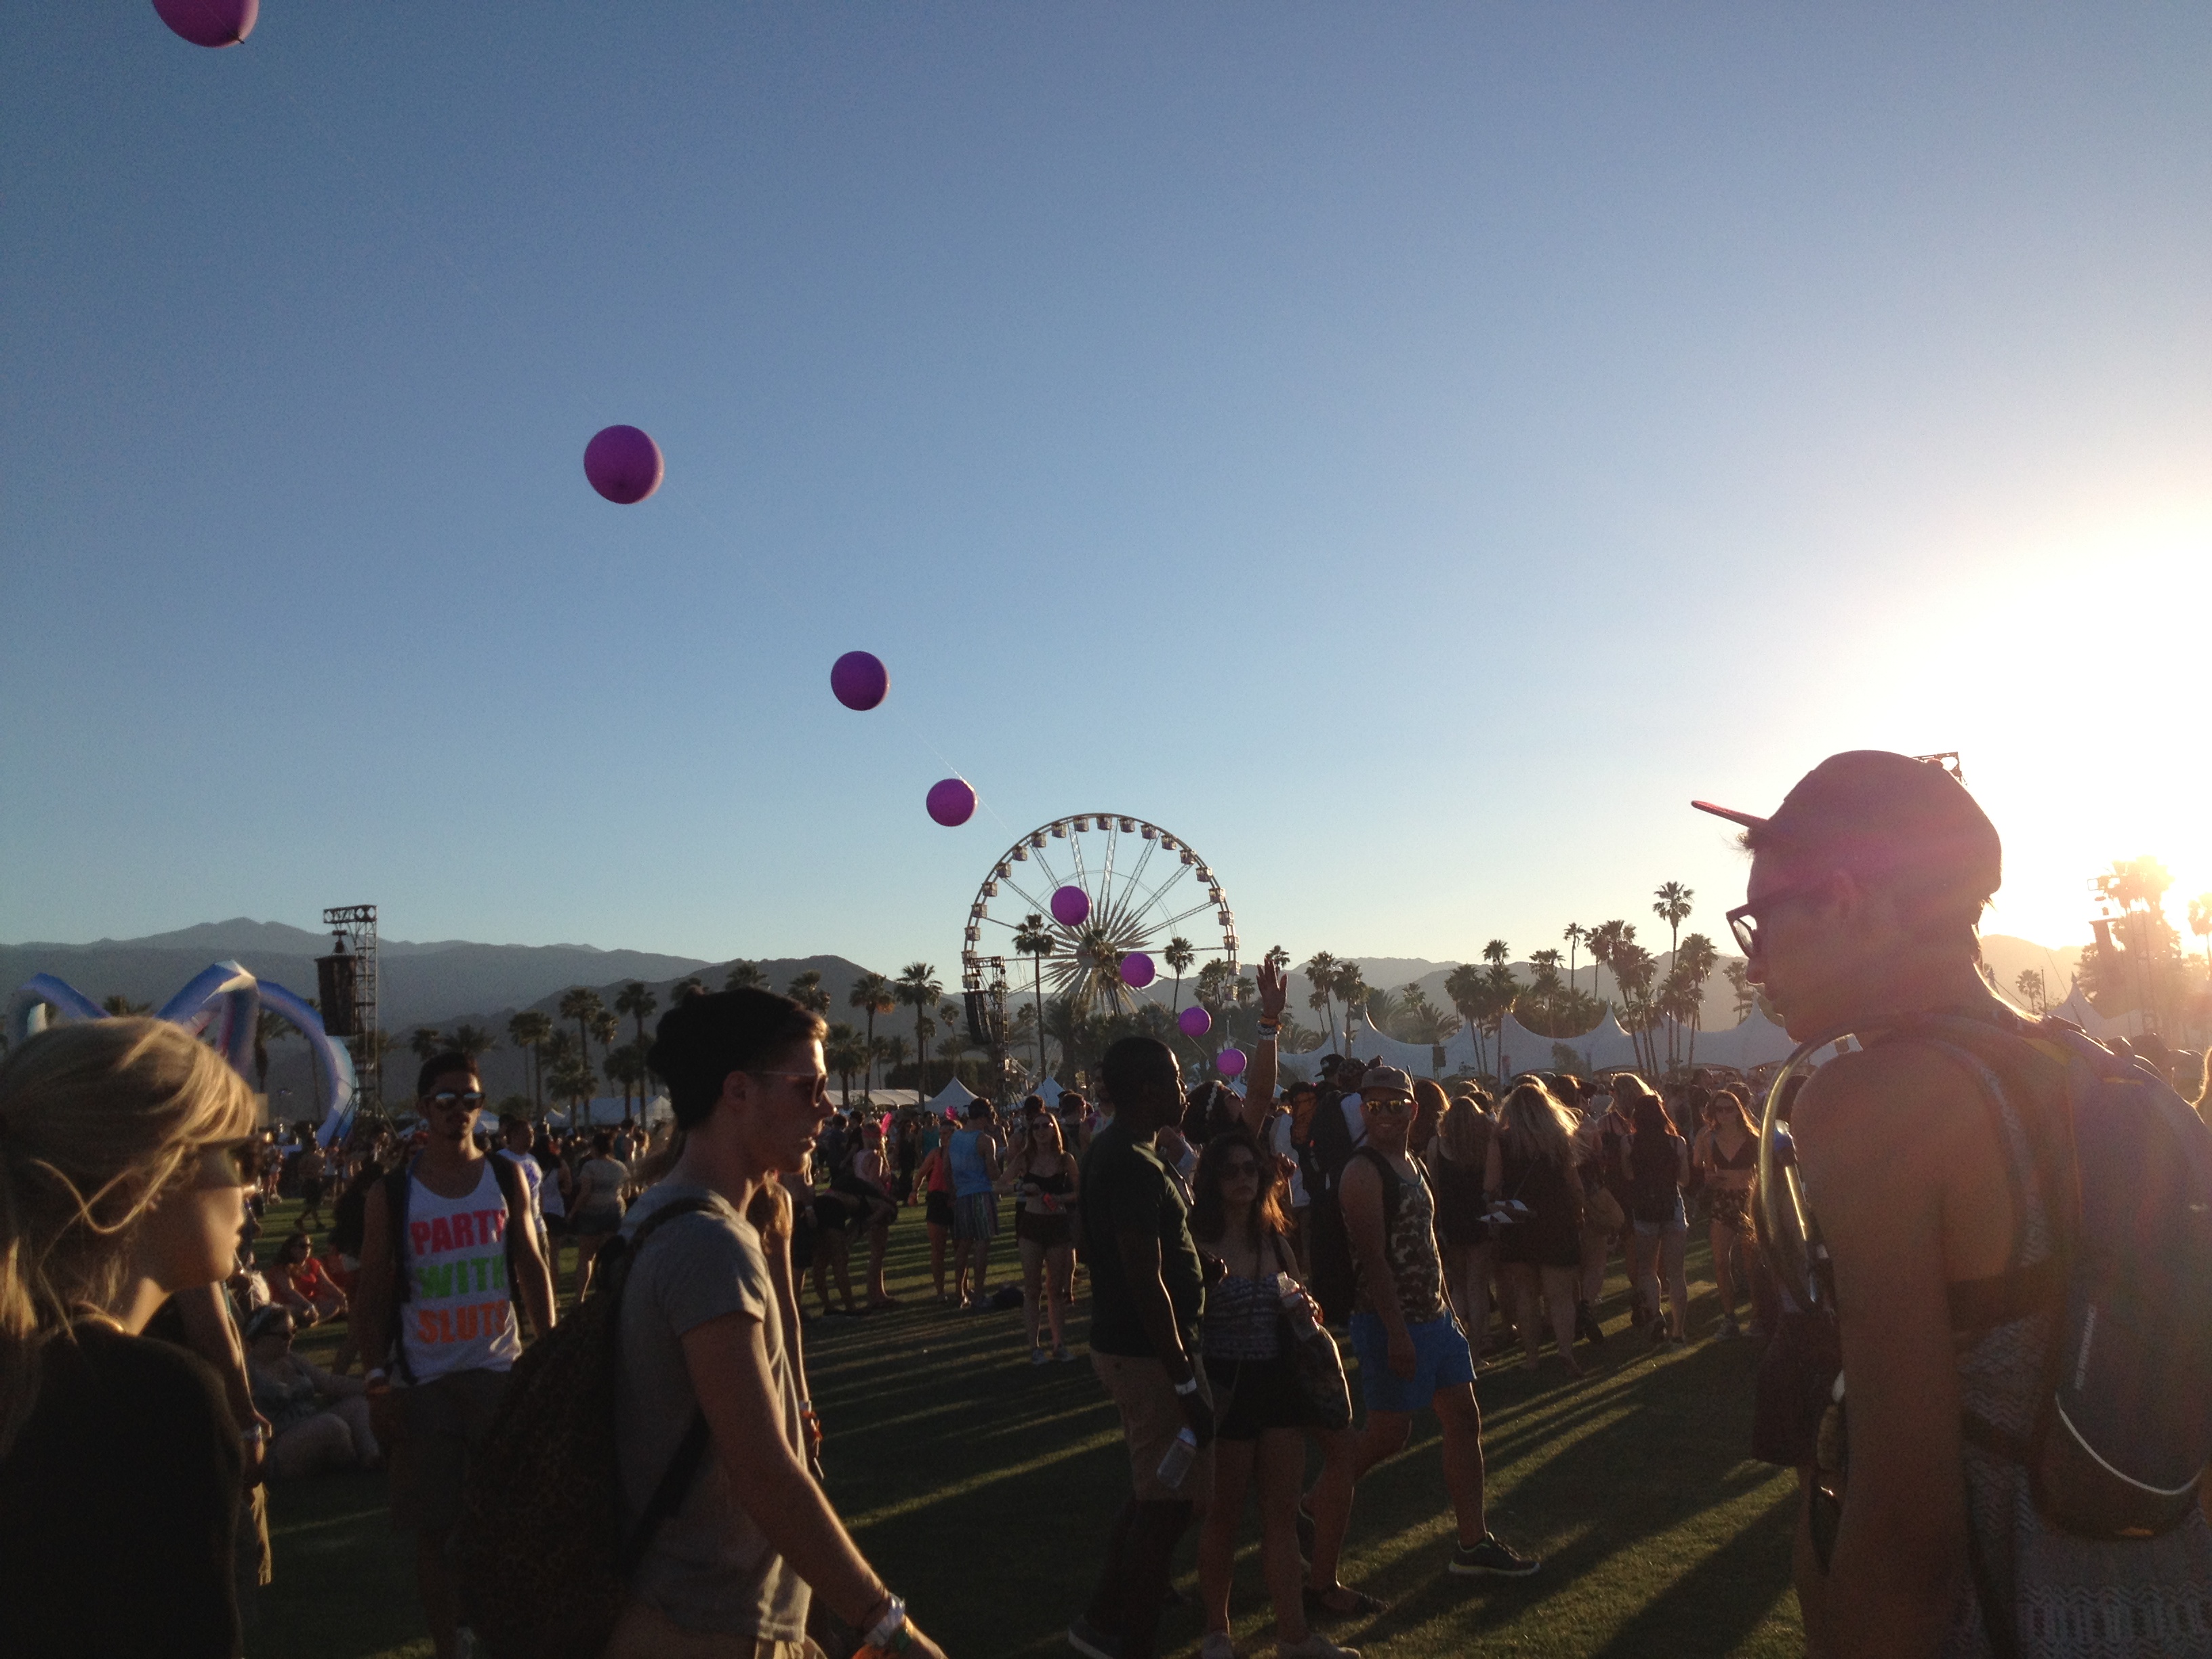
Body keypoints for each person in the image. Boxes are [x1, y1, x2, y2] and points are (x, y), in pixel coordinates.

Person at [1695, 748, 2212, 1655]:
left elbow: (1905, 1524)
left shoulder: (1874, 1098)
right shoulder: (2112, 1082)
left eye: (1761, 920)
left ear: (1846, 897)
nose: (1758, 957)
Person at [613, 987, 946, 1659]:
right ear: (738, 1091)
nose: (827, 1106)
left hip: (678, 1608)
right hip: (709, 1626)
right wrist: (890, 1629)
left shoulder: (656, 1217)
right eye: (809, 1086)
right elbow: (763, 1471)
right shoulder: (708, 1246)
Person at [0, 1018, 260, 1658]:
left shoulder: (25, 1376)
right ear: (152, 1178)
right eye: (235, 1156)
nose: (250, 1185)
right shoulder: (157, 1403)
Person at [1305, 1063, 1538, 1612]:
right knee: (1389, 1434)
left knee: (1463, 1417)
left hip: (1434, 1317)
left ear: (1413, 1110)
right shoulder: (1363, 1173)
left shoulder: (1410, 1162)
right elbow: (1374, 1262)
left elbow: (1426, 1245)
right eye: (1374, 1105)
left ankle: (1472, 1541)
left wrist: (1448, 1310)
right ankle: (1315, 1502)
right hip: (1393, 1320)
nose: (1384, 1114)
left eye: (1394, 1105)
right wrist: (1396, 1333)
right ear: (1363, 1111)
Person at [354, 1052, 558, 1659]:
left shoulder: (505, 1176)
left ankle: (507, 1634)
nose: (459, 1112)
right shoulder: (392, 1195)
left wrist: (548, 1347)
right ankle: (450, 1646)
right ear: (423, 1109)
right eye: (446, 1100)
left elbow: (530, 1263)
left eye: (470, 1100)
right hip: (426, 1381)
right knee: (434, 1529)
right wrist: (375, 1379)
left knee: (514, 1521)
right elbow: (370, 1291)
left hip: (498, 1370)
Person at [1068, 1036, 1215, 1659]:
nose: (1186, 1091)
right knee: (1169, 1504)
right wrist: (1183, 1377)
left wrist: (1201, 1271)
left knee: (1155, 1490)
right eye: (1179, 1081)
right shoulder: (1129, 1159)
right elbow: (1141, 1272)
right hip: (1150, 1354)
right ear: (1151, 1091)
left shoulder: (1124, 1151)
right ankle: (1131, 1638)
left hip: (1138, 1347)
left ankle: (1105, 1613)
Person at [1189, 1127, 1357, 1659]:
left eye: (1250, 1171)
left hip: (1279, 1386)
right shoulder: (1199, 1244)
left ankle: (1294, 1635)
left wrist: (1304, 1310)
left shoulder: (1275, 1241)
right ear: (1212, 1181)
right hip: (1227, 1387)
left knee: (1280, 1515)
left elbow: (1299, 1300)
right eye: (1230, 1171)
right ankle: (1218, 1631)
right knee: (1223, 1516)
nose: (1242, 1179)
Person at [1486, 1079, 1592, 1376]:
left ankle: (1532, 1357)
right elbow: (1575, 1187)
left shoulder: (1502, 1142)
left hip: (1517, 1223)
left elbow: (1491, 1186)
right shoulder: (1559, 1139)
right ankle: (1565, 1353)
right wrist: (1579, 1214)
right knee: (1560, 1296)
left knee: (1526, 1295)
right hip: (1556, 1221)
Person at [243, 1305, 380, 1477]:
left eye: (293, 1331)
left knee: (359, 1406)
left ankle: (372, 1457)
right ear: (260, 1337)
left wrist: (374, 1388)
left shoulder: (292, 1359)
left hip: (310, 1423)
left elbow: (329, 1383)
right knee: (330, 1425)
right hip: (278, 1443)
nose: (291, 1339)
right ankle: (354, 1464)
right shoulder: (247, 1371)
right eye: (284, 1335)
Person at [1613, 1074, 1689, 1348]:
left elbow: (1629, 1175)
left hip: (1644, 1208)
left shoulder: (1629, 1143)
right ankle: (1679, 1330)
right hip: (1672, 1206)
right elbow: (1685, 1180)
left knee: (1647, 1270)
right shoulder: (1677, 1142)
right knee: (1677, 1273)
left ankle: (1657, 1315)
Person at [1005, 1107, 1080, 1363]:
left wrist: (1059, 1198)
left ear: (1054, 1129)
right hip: (1031, 1225)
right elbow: (999, 1184)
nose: (1040, 1131)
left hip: (1058, 1225)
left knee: (1056, 1289)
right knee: (1032, 1288)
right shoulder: (1025, 1159)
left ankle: (1059, 1344)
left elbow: (1080, 1192)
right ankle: (1035, 1347)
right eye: (1035, 1127)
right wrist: (1021, 1186)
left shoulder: (1065, 1159)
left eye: (1045, 1126)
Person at [1425, 1088, 1494, 1357]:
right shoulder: (1484, 1145)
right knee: (1477, 1285)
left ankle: (1457, 1343)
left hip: (1451, 1220)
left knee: (1459, 1284)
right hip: (1479, 1218)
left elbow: (1434, 1185)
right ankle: (1479, 1341)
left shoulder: (1436, 1145)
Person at [1694, 1086, 1759, 1340]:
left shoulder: (1752, 1136)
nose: (1723, 1114)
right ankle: (1730, 1318)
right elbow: (1701, 1169)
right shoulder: (1708, 1138)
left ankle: (1757, 1317)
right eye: (1718, 1109)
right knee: (1721, 1262)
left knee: (1751, 1264)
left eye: (1728, 1108)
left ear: (1738, 1110)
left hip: (1747, 1201)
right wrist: (1709, 1177)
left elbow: (1763, 1168)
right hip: (1723, 1200)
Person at [948, 1097, 1003, 1308]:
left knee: (963, 1247)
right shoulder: (984, 1140)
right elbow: (993, 1174)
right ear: (983, 1117)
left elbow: (948, 1168)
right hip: (981, 1194)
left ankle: (960, 1292)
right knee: (981, 1245)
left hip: (962, 1195)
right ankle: (979, 1294)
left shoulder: (955, 1137)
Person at [569, 1128, 632, 1300]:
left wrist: (573, 1211)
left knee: (586, 1257)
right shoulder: (620, 1167)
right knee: (608, 1257)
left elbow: (585, 1192)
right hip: (614, 1213)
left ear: (595, 1147)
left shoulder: (590, 1166)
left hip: (591, 1214)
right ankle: (605, 1294)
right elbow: (627, 1193)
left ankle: (579, 1297)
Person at [266, 1227, 348, 1326]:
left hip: (312, 1303)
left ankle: (315, 1320)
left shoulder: (313, 1264)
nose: (307, 1249)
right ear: (292, 1249)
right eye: (303, 1246)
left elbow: (327, 1284)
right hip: (288, 1305)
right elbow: (290, 1292)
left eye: (309, 1246)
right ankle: (314, 1320)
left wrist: (341, 1297)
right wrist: (309, 1306)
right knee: (297, 1311)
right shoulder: (281, 1268)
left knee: (334, 1303)